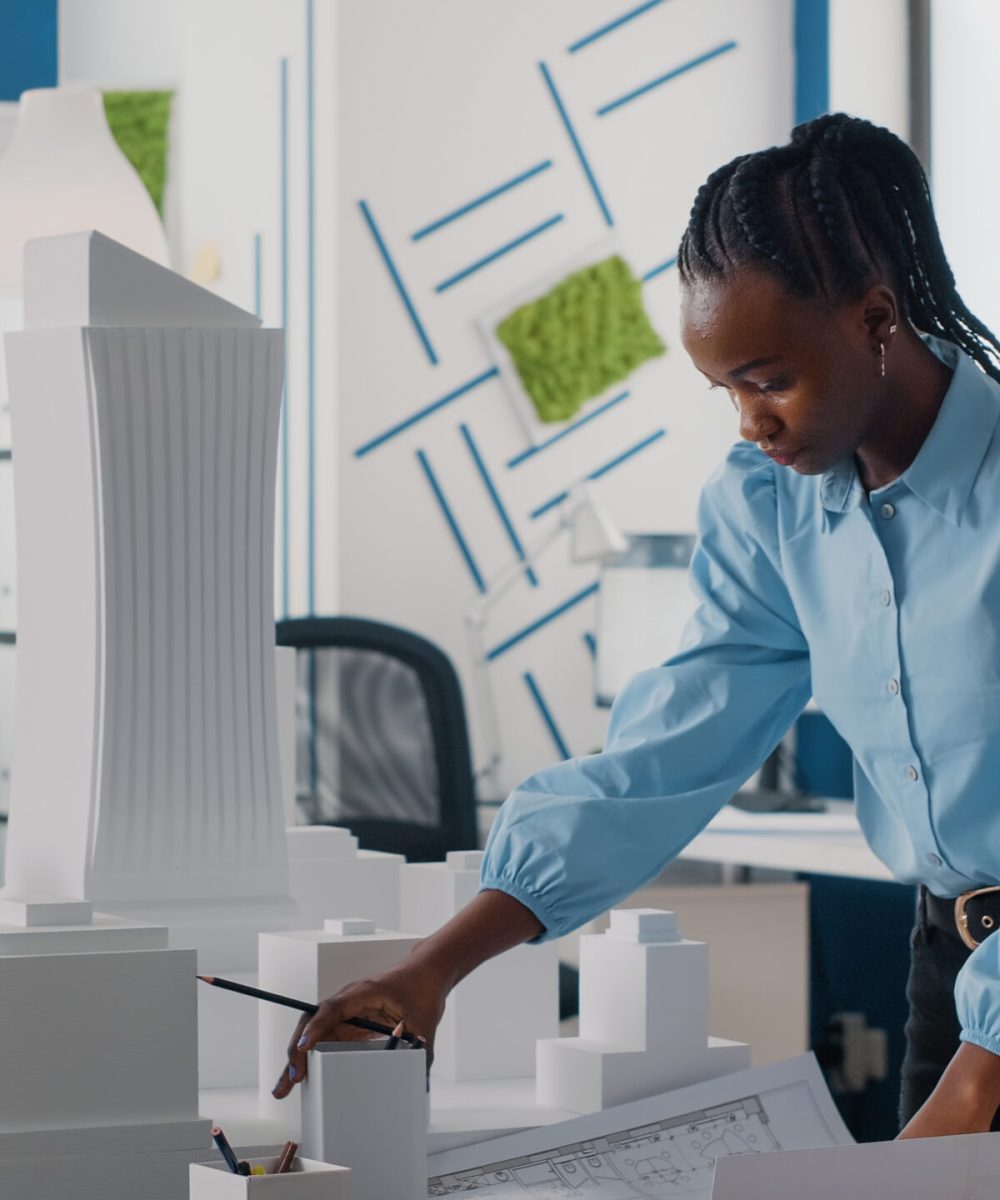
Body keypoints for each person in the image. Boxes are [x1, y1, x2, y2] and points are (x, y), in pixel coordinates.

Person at [273, 113, 1000, 1138]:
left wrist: (979, 1083)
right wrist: (434, 969)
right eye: (727, 391)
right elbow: (663, 756)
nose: (750, 422)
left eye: (768, 380)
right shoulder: (772, 505)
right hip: (955, 969)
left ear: (875, 319)